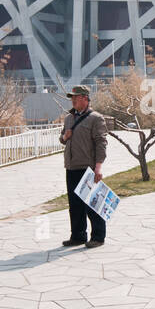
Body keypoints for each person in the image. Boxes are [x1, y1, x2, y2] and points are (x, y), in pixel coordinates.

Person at [59, 84, 108, 248]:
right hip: (71, 167)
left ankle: (98, 237)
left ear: (85, 99)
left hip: (87, 168)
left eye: (76, 97)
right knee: (75, 205)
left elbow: (101, 143)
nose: (73, 100)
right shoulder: (68, 118)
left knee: (92, 204)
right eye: (71, 97)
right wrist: (65, 137)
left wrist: (98, 167)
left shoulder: (96, 118)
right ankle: (78, 236)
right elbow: (62, 139)